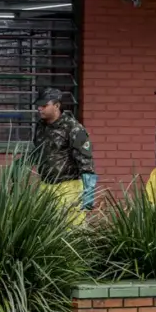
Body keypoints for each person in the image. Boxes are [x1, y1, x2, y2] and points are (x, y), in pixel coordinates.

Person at [31, 88, 97, 225]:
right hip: (46, 185)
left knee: (71, 229)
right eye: (39, 105)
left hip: (68, 187)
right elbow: (39, 152)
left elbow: (86, 161)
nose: (39, 109)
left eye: (44, 105)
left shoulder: (73, 128)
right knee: (45, 228)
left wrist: (89, 191)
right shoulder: (40, 127)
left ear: (56, 106)